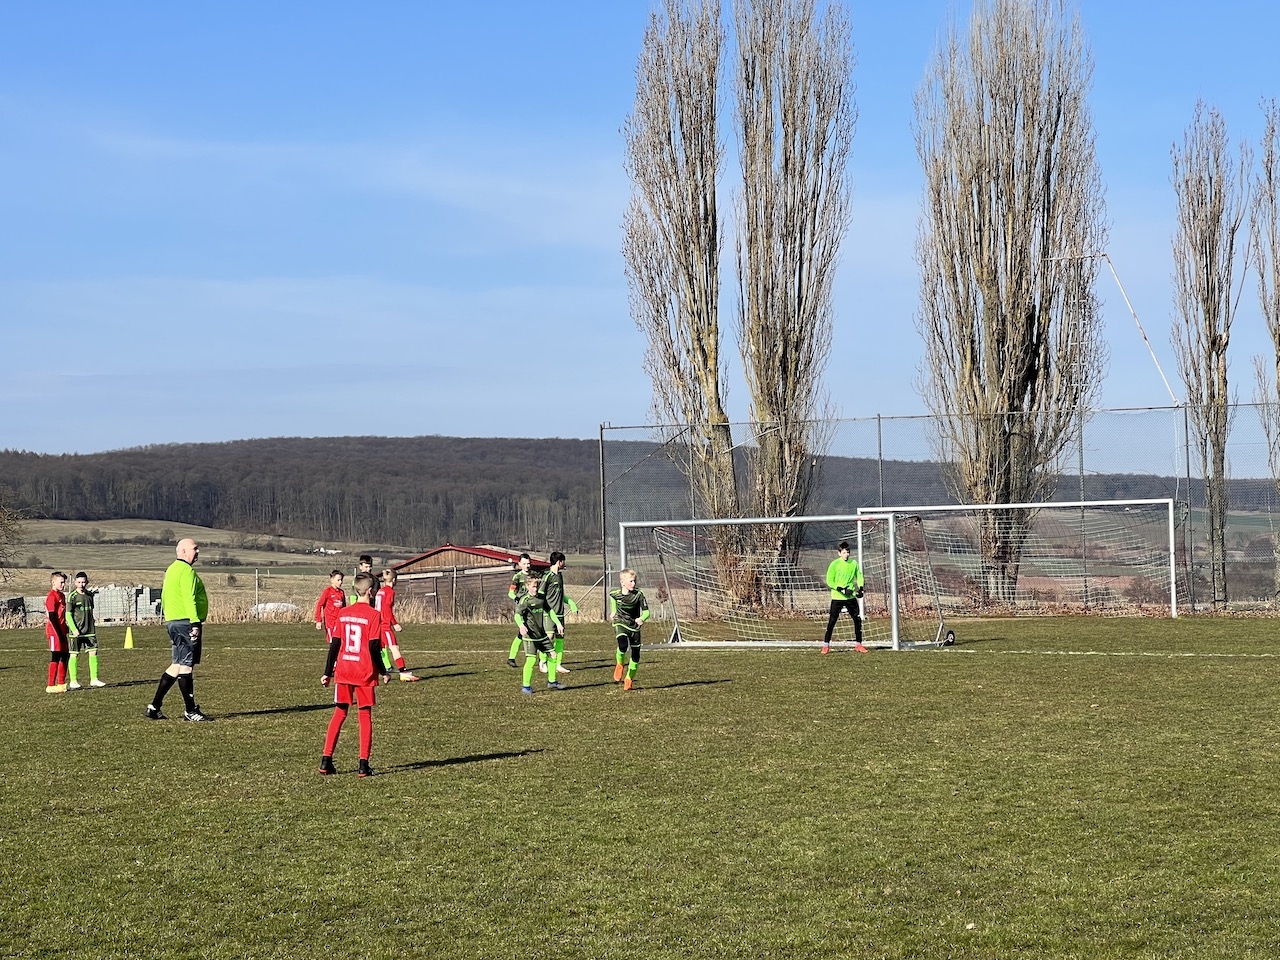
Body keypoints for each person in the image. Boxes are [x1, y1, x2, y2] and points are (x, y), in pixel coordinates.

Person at [319, 573, 393, 777]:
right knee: (364, 715)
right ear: (370, 591)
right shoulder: (373, 615)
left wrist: (327, 673)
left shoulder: (343, 613)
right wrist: (383, 671)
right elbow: (374, 647)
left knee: (339, 713)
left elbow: (335, 645)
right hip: (364, 672)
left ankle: (326, 760)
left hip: (344, 670)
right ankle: (363, 764)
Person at [146, 538, 211, 721]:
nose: (198, 552)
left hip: (174, 622)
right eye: (195, 548)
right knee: (186, 666)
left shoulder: (171, 569)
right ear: (183, 551)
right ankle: (190, 711)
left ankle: (154, 707)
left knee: (177, 664)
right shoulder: (186, 570)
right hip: (185, 623)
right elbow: (189, 597)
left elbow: (165, 596)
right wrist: (195, 623)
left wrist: (170, 618)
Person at [514, 576, 564, 695]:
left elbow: (550, 611)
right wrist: (521, 625)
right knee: (531, 660)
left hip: (542, 634)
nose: (535, 589)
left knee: (553, 655)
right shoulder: (525, 600)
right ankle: (526, 686)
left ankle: (552, 681)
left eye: (536, 586)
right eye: (533, 587)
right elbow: (517, 615)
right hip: (530, 636)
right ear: (527, 586)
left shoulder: (541, 598)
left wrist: (558, 623)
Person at [822, 540, 867, 655]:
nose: (846, 554)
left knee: (857, 619)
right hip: (837, 597)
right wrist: (841, 589)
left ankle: (859, 644)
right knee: (832, 621)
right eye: (844, 552)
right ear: (839, 553)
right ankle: (826, 645)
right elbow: (829, 580)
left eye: (848, 552)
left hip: (850, 597)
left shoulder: (854, 563)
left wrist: (861, 588)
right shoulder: (834, 564)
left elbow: (859, 576)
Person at [609, 568, 650, 691]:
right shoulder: (615, 594)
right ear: (622, 582)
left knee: (636, 656)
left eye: (634, 581)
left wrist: (642, 618)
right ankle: (620, 664)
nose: (634, 583)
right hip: (620, 622)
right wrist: (613, 613)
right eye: (631, 581)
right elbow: (613, 605)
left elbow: (647, 612)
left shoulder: (639, 594)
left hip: (634, 626)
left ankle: (628, 679)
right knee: (622, 645)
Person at [537, 551, 577, 675]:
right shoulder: (547, 576)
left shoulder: (560, 576)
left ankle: (558, 664)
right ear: (559, 562)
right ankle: (542, 661)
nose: (564, 564)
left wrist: (570, 602)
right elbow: (540, 595)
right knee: (549, 637)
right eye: (563, 561)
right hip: (549, 613)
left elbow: (560, 594)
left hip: (560, 613)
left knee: (560, 637)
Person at [376, 568, 418, 681]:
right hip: (384, 625)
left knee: (378, 650)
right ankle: (403, 672)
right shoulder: (389, 592)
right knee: (394, 648)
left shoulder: (380, 591)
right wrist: (394, 623)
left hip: (377, 624)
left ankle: (376, 673)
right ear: (394, 580)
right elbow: (387, 609)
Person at [66, 571, 105, 689]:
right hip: (76, 632)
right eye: (79, 582)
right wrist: (74, 629)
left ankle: (94, 679)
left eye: (83, 582)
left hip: (89, 630)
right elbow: (68, 615)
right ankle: (73, 681)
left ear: (87, 582)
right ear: (75, 582)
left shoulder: (90, 595)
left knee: (93, 652)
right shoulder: (72, 596)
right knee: (74, 654)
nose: (81, 584)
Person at [506, 553, 534, 668]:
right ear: (520, 564)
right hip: (522, 609)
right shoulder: (517, 577)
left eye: (528, 563)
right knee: (522, 633)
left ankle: (541, 658)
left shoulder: (533, 575)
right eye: (524, 563)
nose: (527, 566)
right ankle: (511, 658)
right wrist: (517, 598)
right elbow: (510, 593)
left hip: (533, 608)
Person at [45, 571, 69, 693]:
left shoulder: (62, 596)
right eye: (61, 582)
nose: (63, 585)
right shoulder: (51, 596)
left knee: (65, 655)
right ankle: (50, 685)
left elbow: (61, 615)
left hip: (62, 630)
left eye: (64, 582)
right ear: (53, 582)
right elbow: (53, 617)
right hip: (54, 631)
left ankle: (61, 683)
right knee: (56, 655)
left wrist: (65, 628)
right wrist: (59, 633)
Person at [314, 570, 346, 642]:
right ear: (332, 580)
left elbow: (344, 607)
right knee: (333, 641)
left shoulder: (341, 592)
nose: (340, 582)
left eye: (341, 580)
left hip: (339, 622)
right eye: (338, 580)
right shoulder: (327, 591)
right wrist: (318, 620)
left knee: (341, 642)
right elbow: (319, 605)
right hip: (330, 622)